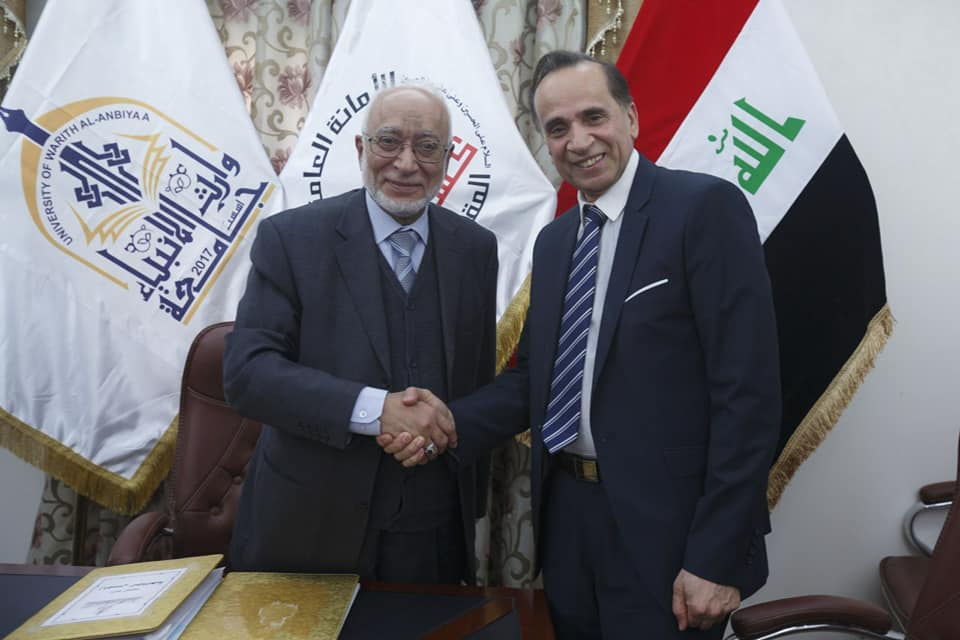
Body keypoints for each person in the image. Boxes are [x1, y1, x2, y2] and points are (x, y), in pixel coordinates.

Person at [382, 51, 781, 638]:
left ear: (631, 117)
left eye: (594, 117)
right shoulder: (555, 241)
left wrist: (715, 556)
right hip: (568, 524)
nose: (579, 141)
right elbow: (533, 379)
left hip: (671, 538)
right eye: (558, 127)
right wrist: (442, 425)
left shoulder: (702, 210)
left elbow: (748, 395)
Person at [223, 81, 497, 586]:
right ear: (360, 148)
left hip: (432, 537)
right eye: (388, 142)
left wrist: (461, 489)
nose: (406, 163)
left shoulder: (476, 249)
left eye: (427, 146)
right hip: (307, 530)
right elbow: (248, 374)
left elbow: (476, 380)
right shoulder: (290, 238)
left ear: (447, 158)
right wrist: (375, 410)